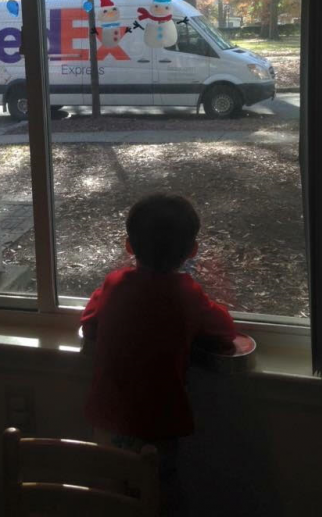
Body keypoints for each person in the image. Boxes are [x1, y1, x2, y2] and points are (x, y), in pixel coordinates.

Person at [81, 193, 237, 515]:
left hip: (108, 418)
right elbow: (224, 330)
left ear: (128, 245)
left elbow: (89, 321)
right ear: (192, 250)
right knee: (156, 499)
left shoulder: (114, 284)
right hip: (158, 423)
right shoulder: (186, 294)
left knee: (107, 501)